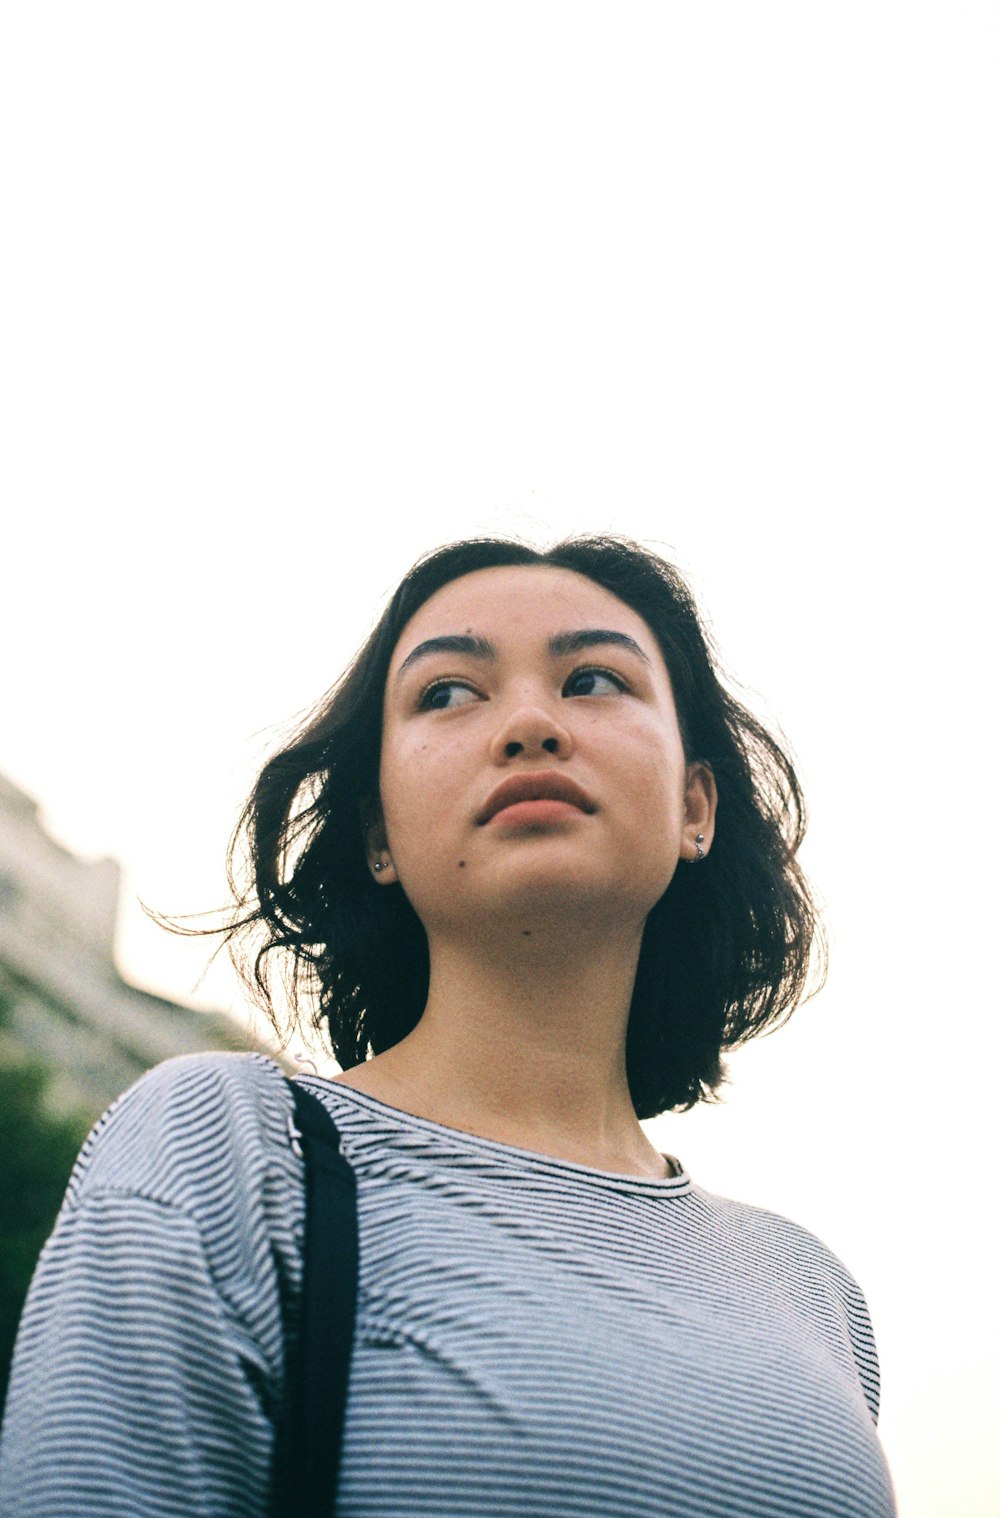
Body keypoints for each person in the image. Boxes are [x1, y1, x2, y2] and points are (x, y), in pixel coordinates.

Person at [0, 535, 897, 1516]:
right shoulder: (228, 1145)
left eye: (593, 679)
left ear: (695, 805)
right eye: (447, 694)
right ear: (379, 832)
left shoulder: (814, 1293)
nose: (526, 723)